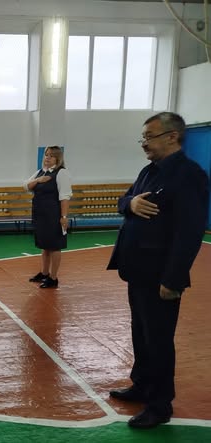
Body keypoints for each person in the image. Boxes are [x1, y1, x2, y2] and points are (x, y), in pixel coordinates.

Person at [107, 112, 209, 429]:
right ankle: (141, 384)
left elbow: (189, 233)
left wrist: (173, 278)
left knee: (159, 339)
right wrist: (131, 204)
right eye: (143, 137)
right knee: (141, 332)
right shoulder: (149, 171)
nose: (144, 143)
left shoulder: (189, 175)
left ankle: (159, 403)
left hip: (160, 274)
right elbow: (124, 200)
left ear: (172, 136)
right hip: (138, 270)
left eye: (149, 137)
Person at [24, 146, 72, 288]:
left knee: (55, 246)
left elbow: (65, 197)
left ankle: (53, 278)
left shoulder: (61, 173)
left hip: (53, 215)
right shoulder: (40, 172)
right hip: (40, 215)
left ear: (58, 158)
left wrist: (64, 216)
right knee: (45, 246)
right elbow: (26, 186)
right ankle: (44, 273)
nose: (47, 158)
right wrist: (39, 180)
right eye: (46, 155)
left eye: (51, 155)